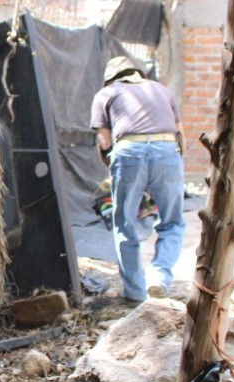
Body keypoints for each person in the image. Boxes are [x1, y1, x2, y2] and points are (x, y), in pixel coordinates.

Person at [90, 56, 187, 304]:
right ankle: (159, 275)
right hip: (167, 150)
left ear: (111, 77)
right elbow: (181, 136)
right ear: (138, 73)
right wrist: (171, 172)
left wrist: (115, 173)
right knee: (172, 220)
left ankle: (134, 292)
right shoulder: (161, 90)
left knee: (124, 222)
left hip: (128, 151)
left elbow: (104, 142)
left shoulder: (106, 93)